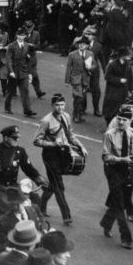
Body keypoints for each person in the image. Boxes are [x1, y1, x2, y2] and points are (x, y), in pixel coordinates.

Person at [33, 94, 84, 226]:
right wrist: (53, 144)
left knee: (53, 184)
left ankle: (41, 205)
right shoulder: (46, 121)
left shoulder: (66, 116)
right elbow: (37, 141)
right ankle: (66, 216)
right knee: (59, 186)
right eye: (57, 105)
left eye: (62, 105)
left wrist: (80, 145)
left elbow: (70, 134)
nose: (60, 107)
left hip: (63, 155)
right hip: (50, 156)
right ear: (52, 106)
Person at [99, 110, 133, 250]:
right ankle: (126, 237)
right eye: (119, 119)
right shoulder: (109, 134)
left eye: (124, 120)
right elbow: (105, 156)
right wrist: (121, 159)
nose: (121, 122)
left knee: (122, 200)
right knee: (120, 204)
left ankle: (106, 222)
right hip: (113, 169)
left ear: (130, 121)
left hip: (127, 169)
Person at [0, 125, 47, 190]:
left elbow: (28, 168)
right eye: (15, 138)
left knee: (33, 202)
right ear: (6, 138)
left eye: (18, 137)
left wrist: (38, 178)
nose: (17, 140)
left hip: (12, 189)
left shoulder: (20, 151)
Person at [3, 26, 37, 117]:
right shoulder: (11, 46)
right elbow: (8, 60)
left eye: (23, 35)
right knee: (10, 91)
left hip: (23, 71)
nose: (21, 37)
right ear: (17, 35)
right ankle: (7, 107)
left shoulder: (26, 46)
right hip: (14, 71)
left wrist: (29, 73)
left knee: (25, 91)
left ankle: (27, 110)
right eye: (19, 35)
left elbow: (28, 60)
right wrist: (10, 71)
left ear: (25, 36)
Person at [63, 36, 93, 123]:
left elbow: (94, 65)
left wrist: (90, 67)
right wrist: (67, 81)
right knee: (79, 97)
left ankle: (77, 113)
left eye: (84, 44)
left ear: (87, 46)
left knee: (81, 98)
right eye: (80, 44)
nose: (81, 46)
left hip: (85, 79)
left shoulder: (90, 54)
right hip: (76, 79)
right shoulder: (72, 54)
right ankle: (76, 115)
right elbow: (68, 68)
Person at [102, 47, 133, 122]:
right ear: (122, 55)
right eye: (127, 55)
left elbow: (130, 78)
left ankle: (117, 123)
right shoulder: (112, 64)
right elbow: (107, 76)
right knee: (112, 108)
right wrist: (119, 80)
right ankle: (109, 122)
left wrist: (132, 89)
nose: (129, 57)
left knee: (121, 108)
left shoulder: (128, 65)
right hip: (113, 91)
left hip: (123, 91)